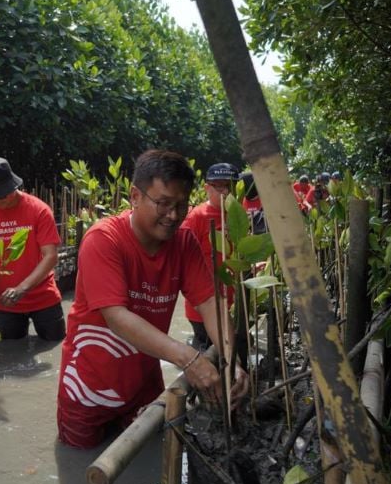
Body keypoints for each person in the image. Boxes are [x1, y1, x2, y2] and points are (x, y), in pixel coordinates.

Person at [56, 150, 248, 449]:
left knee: (149, 452)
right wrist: (189, 358)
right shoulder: (103, 239)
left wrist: (230, 358)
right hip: (88, 386)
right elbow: (116, 317)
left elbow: (210, 302)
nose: (173, 215)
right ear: (135, 196)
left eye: (181, 205)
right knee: (79, 457)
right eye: (163, 203)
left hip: (144, 383)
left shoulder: (184, 242)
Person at [0, 157, 65, 341]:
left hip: (43, 296)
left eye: (1, 195)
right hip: (5, 301)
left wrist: (21, 288)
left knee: (55, 343)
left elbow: (51, 256)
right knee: (11, 348)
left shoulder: (39, 210)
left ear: (13, 186)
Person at [179, 162, 239, 349]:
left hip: (231, 301)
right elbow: (181, 257)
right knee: (208, 350)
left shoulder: (238, 215)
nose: (225, 192)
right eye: (219, 186)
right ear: (207, 188)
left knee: (232, 348)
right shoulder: (196, 217)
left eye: (229, 186)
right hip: (204, 305)